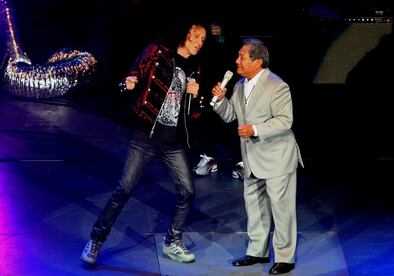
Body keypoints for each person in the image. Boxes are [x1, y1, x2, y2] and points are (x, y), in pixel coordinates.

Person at [80, 19, 207, 265]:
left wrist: (196, 96)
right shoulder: (157, 53)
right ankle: (96, 240)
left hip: (173, 142)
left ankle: (172, 241)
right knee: (123, 190)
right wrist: (128, 84)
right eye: (196, 37)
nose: (200, 43)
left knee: (187, 192)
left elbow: (194, 115)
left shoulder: (194, 69)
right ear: (184, 34)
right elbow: (132, 77)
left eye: (203, 40)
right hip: (144, 138)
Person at [211, 38, 303, 275]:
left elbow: (285, 120)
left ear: (258, 61)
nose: (237, 61)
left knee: (281, 210)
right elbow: (232, 115)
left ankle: (285, 257)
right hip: (252, 158)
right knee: (256, 208)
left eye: (242, 56)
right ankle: (257, 252)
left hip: (277, 158)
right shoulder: (241, 85)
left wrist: (255, 129)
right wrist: (221, 101)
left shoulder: (277, 85)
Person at [189, 22, 244, 179]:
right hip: (207, 70)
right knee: (206, 113)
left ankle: (240, 160)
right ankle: (209, 157)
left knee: (234, 114)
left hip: (231, 70)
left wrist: (224, 32)